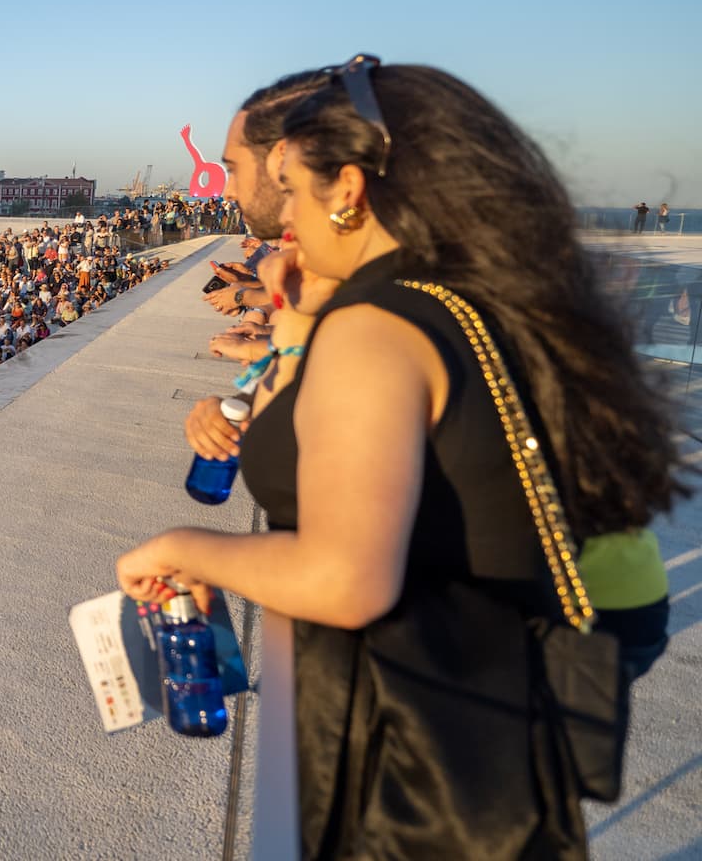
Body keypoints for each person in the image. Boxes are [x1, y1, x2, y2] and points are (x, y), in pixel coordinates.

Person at [119, 58, 683, 857]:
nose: (286, 222)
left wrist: (184, 550)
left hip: (414, 744)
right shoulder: (444, 297)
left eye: (290, 178)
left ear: (347, 189)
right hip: (477, 722)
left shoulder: (375, 328)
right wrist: (294, 321)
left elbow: (347, 580)